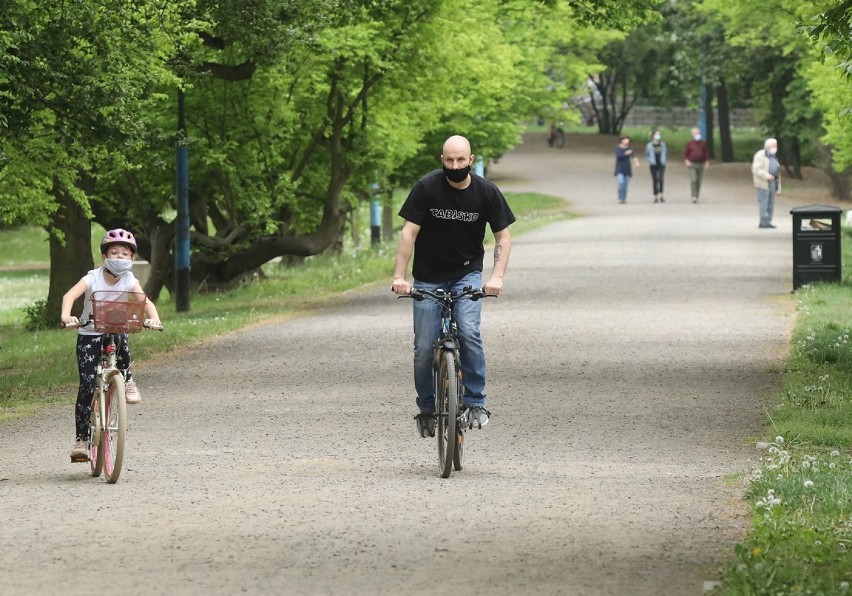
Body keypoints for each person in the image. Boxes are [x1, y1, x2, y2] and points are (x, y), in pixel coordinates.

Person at [391, 135, 515, 437]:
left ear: (471, 160)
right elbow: (409, 233)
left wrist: (496, 276)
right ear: (441, 159)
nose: (455, 165)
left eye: (461, 160)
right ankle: (428, 409)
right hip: (428, 277)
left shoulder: (486, 193)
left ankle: (474, 402)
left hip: (466, 274)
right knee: (423, 347)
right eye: (449, 160)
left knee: (469, 332)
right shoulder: (427, 188)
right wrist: (400, 277)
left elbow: (503, 237)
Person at [60, 228, 162, 462]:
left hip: (116, 328)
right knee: (86, 384)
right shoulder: (92, 277)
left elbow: (144, 302)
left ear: (132, 258)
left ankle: (127, 380)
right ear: (105, 257)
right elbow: (69, 296)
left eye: (124, 254)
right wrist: (67, 316)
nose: (119, 257)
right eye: (113, 252)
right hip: (89, 332)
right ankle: (81, 440)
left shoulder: (129, 279)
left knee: (123, 342)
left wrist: (154, 317)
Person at [752, 138, 781, 229]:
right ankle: (763, 222)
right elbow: (756, 169)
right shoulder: (760, 155)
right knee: (764, 202)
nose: (775, 147)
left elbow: (777, 172)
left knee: (771, 203)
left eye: (776, 145)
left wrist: (778, 187)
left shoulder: (774, 156)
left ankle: (768, 221)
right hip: (763, 183)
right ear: (767, 146)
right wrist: (766, 175)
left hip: (773, 182)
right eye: (773, 145)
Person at [684, 127, 710, 203]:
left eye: (698, 133)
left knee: (699, 181)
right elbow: (686, 153)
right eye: (696, 133)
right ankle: (693, 196)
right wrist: (686, 160)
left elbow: (706, 153)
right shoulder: (690, 143)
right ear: (692, 134)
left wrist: (707, 162)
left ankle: (697, 195)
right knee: (693, 179)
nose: (697, 135)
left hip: (701, 164)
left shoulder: (703, 143)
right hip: (692, 163)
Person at [614, 136, 640, 204]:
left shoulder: (630, 148)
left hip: (627, 168)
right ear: (621, 141)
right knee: (620, 182)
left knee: (625, 184)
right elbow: (619, 156)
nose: (627, 141)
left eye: (627, 140)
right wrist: (626, 153)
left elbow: (634, 155)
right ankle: (620, 198)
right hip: (620, 168)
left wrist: (636, 162)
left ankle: (624, 199)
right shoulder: (618, 148)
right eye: (625, 140)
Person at [645, 129, 667, 203]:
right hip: (653, 164)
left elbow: (665, 153)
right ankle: (656, 196)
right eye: (657, 134)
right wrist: (650, 160)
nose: (658, 136)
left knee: (661, 179)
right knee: (655, 179)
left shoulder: (663, 144)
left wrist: (664, 160)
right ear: (653, 136)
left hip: (661, 164)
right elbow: (646, 154)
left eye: (659, 134)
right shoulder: (649, 145)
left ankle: (661, 195)